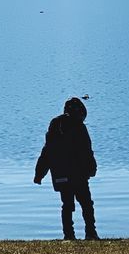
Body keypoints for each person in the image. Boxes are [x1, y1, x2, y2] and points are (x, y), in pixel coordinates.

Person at [33, 97, 100, 240]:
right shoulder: (79, 127)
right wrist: (92, 169)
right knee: (86, 203)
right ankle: (91, 233)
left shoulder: (55, 127)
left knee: (67, 205)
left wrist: (39, 174)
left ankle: (69, 235)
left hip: (60, 174)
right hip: (78, 174)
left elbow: (47, 152)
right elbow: (86, 151)